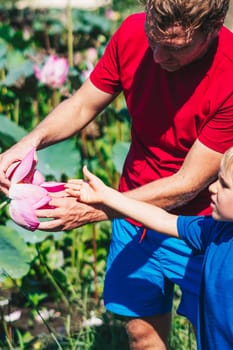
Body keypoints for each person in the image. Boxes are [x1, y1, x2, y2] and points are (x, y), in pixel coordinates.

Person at [0, 0, 233, 348]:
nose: (155, 57)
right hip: (130, 202)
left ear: (212, 29)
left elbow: (189, 182)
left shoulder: (230, 74)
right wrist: (29, 143)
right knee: (140, 331)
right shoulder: (131, 34)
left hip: (200, 224)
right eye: (153, 39)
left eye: (174, 48)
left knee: (214, 334)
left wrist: (98, 207)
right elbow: (82, 105)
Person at [65, 146, 233, 350]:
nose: (212, 188)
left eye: (224, 184)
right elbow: (162, 219)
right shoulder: (214, 230)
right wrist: (107, 197)